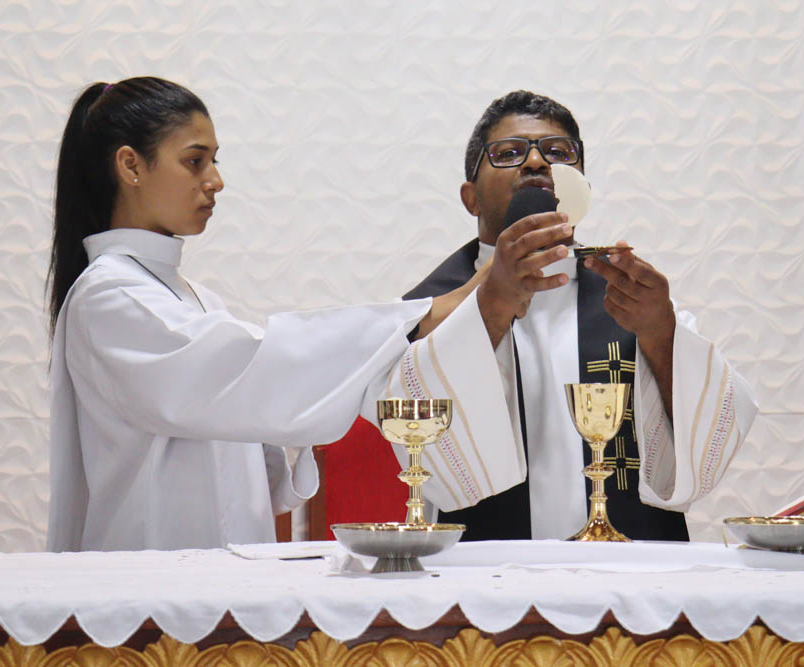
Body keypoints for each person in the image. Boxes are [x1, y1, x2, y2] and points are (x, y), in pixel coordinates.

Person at [45, 77, 571, 551]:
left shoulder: (194, 298)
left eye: (215, 161)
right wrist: (460, 300)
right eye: (195, 161)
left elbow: (260, 405)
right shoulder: (108, 297)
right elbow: (258, 371)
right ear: (131, 166)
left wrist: (452, 315)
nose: (216, 180)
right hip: (152, 574)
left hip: (218, 571)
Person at [398, 90, 760, 541]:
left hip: (627, 565)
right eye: (509, 153)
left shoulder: (630, 296)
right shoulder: (427, 311)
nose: (536, 163)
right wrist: (489, 305)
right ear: (470, 198)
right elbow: (411, 430)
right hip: (488, 566)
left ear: (580, 186)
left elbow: (717, 433)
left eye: (558, 153)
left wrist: (661, 336)